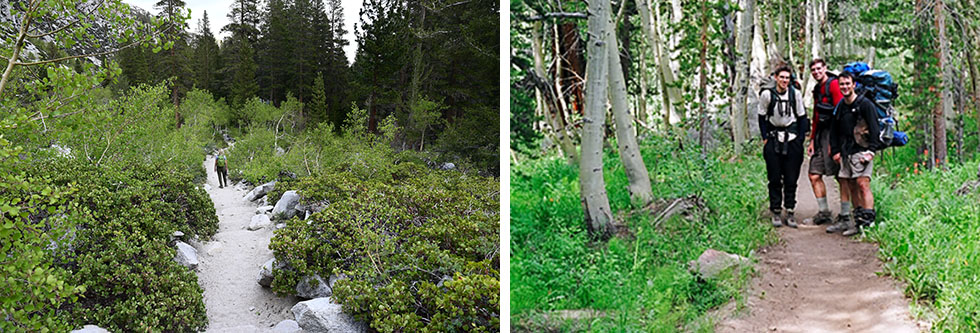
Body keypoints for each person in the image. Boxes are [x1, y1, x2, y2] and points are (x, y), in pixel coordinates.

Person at [828, 71, 882, 236]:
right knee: (851, 185)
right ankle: (858, 222)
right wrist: (836, 151)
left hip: (862, 151)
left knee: (863, 184)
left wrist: (872, 151)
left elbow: (874, 129)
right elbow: (834, 131)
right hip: (846, 153)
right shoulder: (841, 107)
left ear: (854, 85)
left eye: (847, 84)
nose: (844, 87)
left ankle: (869, 222)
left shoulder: (865, 105)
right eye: (842, 84)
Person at [759, 66, 809, 228]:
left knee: (791, 178)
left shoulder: (795, 94)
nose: (784, 81)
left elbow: (802, 118)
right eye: (782, 77)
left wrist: (800, 139)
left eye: (787, 78)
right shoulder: (767, 95)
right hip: (774, 139)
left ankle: (790, 209)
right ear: (775, 78)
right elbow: (761, 117)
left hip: (792, 139)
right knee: (774, 177)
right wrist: (765, 138)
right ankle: (775, 210)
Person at [806, 59, 846, 227]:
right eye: (813, 70)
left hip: (834, 134)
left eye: (819, 69)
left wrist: (835, 142)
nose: (816, 72)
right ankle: (824, 212)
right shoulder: (817, 89)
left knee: (841, 175)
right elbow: (816, 115)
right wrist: (812, 139)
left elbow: (840, 113)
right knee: (814, 174)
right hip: (821, 134)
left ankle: (846, 214)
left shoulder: (834, 85)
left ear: (825, 69)